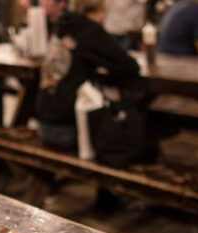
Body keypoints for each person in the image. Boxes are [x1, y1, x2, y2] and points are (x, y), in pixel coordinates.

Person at [35, 0, 139, 149]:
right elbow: (130, 66)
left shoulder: (61, 25)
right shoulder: (89, 29)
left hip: (43, 124)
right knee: (128, 134)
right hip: (67, 129)